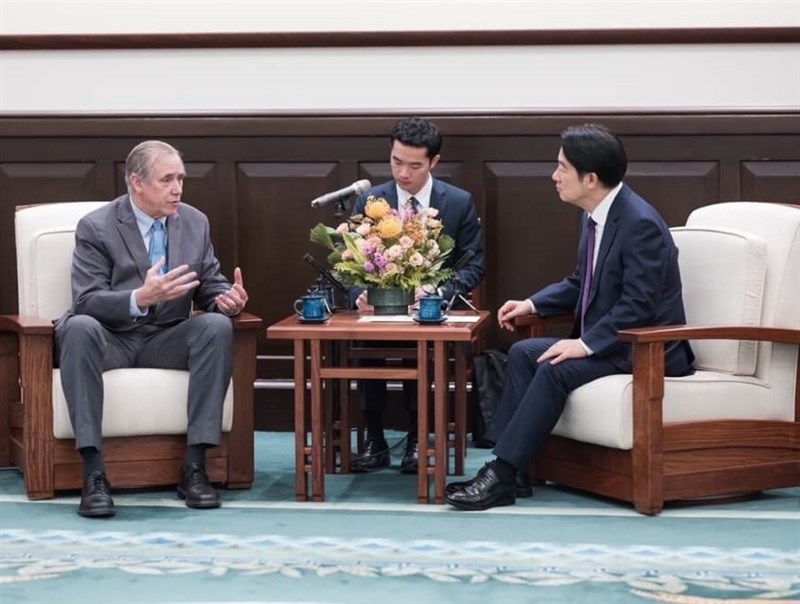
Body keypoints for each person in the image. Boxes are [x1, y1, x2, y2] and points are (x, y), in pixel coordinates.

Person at [445, 123, 694, 511]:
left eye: (562, 168)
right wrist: (532, 304)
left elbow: (638, 306)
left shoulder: (640, 223)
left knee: (555, 367)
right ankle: (519, 470)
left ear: (590, 178)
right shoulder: (594, 215)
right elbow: (583, 282)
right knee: (526, 352)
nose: (554, 176)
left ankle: (502, 475)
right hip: (614, 342)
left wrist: (583, 344)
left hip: (647, 348)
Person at [54, 140, 249, 518]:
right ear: (136, 183)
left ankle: (194, 468)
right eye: (167, 180)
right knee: (77, 327)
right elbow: (86, 299)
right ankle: (93, 474)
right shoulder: (97, 226)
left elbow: (209, 282)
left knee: (215, 326)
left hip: (166, 337)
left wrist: (227, 298)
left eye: (180, 178)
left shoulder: (194, 221)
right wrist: (138, 298)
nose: (178, 188)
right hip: (111, 337)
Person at [349, 116, 485, 474]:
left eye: (414, 165)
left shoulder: (457, 203)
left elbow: (474, 265)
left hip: (430, 313)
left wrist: (437, 292)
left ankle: (416, 437)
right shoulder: (370, 199)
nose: (403, 173)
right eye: (396, 162)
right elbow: (345, 261)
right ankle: (374, 438)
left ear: (433, 163)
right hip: (379, 313)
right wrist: (358, 294)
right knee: (365, 343)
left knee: (423, 349)